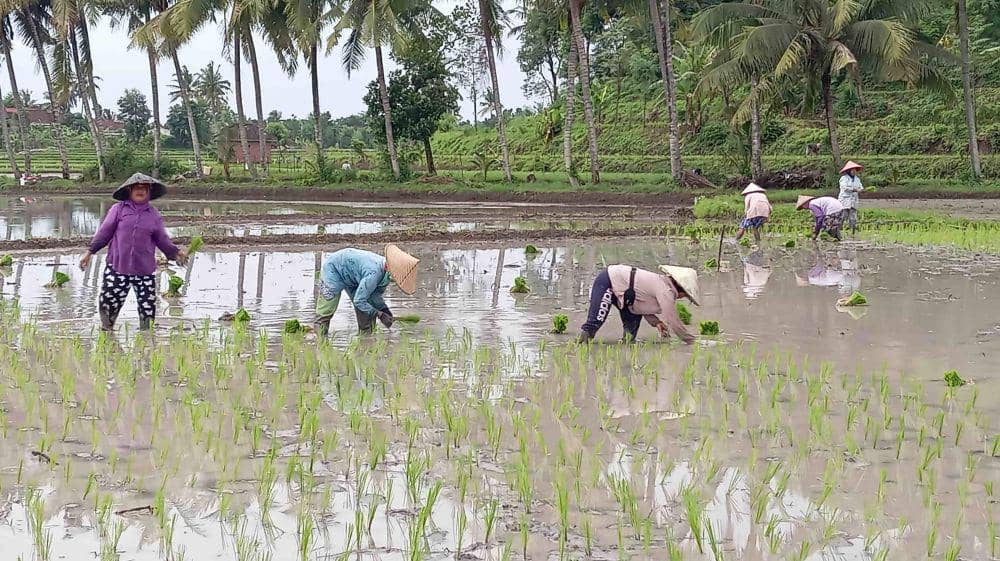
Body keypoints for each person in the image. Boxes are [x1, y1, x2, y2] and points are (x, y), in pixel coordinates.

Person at [79, 173, 188, 331]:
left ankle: (147, 340)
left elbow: (162, 240)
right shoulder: (118, 210)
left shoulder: (153, 215)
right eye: (136, 187)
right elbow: (104, 232)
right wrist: (89, 252)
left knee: (147, 309)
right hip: (118, 267)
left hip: (144, 270)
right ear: (129, 190)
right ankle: (107, 333)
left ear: (149, 191)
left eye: (144, 187)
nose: (140, 190)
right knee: (108, 304)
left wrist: (176, 253)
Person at [577, 264, 699, 344]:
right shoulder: (666, 291)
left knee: (630, 337)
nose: (682, 298)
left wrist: (657, 323)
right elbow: (673, 320)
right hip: (609, 280)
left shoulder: (663, 285)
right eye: (686, 296)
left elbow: (642, 306)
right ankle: (579, 347)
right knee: (595, 322)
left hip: (629, 299)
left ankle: (625, 358)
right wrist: (691, 340)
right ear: (681, 290)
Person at [314, 244, 419, 336]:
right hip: (334, 269)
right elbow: (359, 301)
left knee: (367, 308)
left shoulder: (385, 276)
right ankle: (320, 340)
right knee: (326, 309)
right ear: (389, 268)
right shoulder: (373, 273)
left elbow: (374, 296)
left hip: (354, 276)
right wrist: (380, 315)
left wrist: (385, 310)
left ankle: (366, 340)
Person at [838, 161, 864, 234]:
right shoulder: (844, 178)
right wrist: (855, 190)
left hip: (854, 200)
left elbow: (861, 187)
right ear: (848, 171)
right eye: (852, 170)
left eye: (855, 170)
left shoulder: (857, 179)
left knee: (853, 217)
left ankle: (853, 231)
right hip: (845, 199)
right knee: (843, 215)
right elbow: (844, 188)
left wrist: (861, 190)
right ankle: (838, 229)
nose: (854, 171)